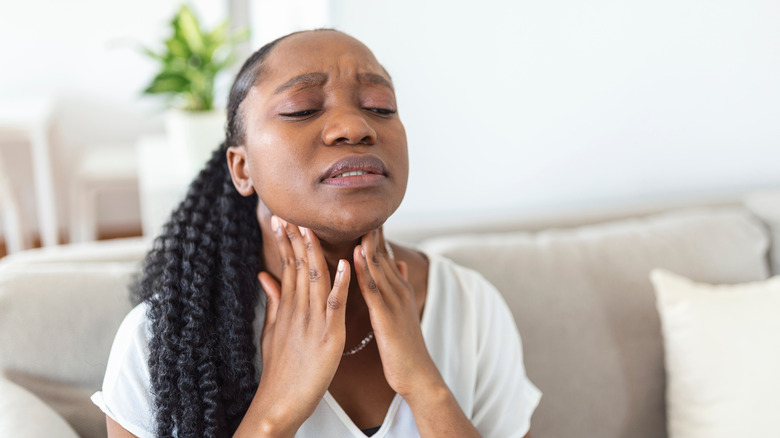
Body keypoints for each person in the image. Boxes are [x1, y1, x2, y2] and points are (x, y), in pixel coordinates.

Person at [92, 29, 541, 438]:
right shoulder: (160, 343)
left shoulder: (469, 306)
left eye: (379, 107)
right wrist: (276, 412)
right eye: (302, 109)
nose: (356, 127)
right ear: (241, 168)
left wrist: (426, 388)